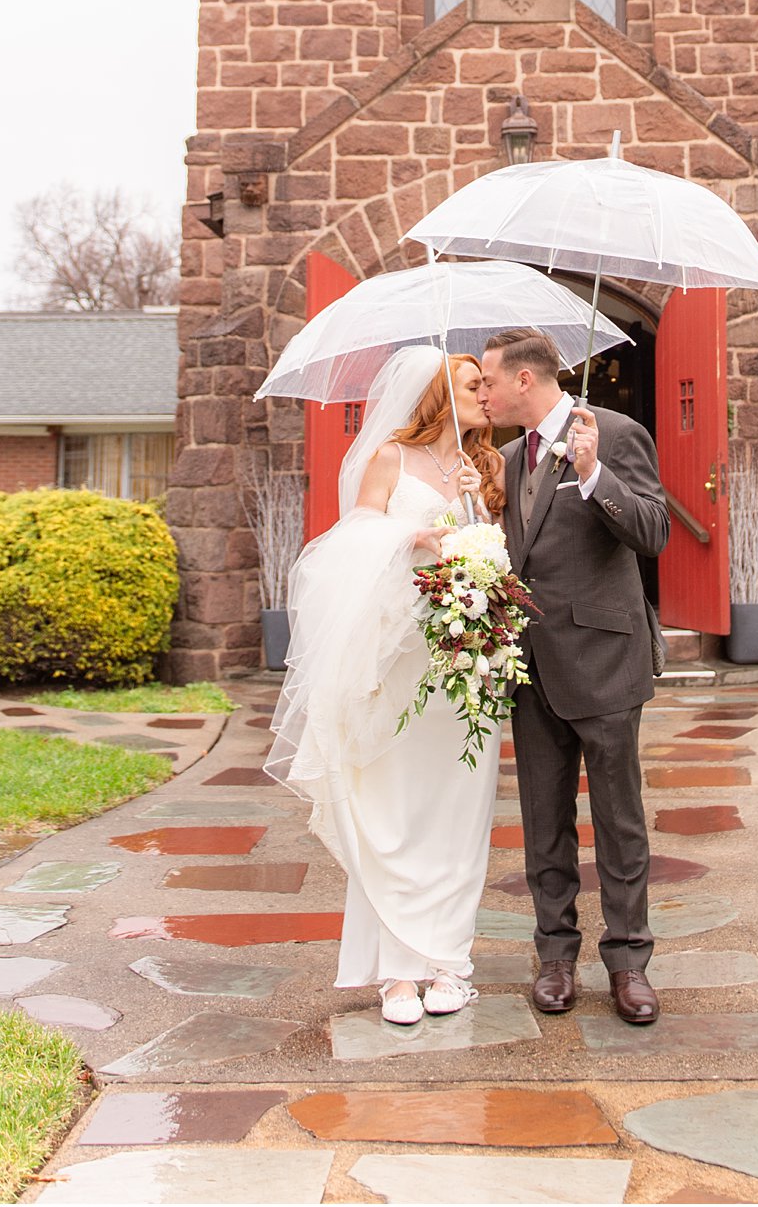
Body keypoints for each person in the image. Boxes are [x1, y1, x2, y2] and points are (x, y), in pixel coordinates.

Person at [265, 344, 506, 1025]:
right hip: (395, 659)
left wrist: (475, 509)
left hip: (461, 663)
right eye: (470, 384)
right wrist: (411, 537)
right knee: (393, 812)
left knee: (458, 810)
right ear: (436, 393)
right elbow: (346, 544)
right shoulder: (390, 459)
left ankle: (449, 963)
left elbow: (498, 552)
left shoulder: (485, 465)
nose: (484, 395)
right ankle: (396, 973)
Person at [478, 326, 670, 1026]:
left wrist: (594, 475)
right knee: (543, 821)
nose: (484, 394)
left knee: (620, 821)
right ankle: (555, 955)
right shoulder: (501, 459)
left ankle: (629, 963)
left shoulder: (614, 433)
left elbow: (653, 532)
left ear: (525, 380)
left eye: (490, 382)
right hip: (531, 667)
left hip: (606, 656)